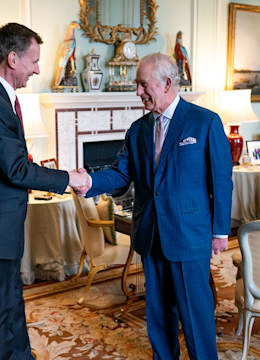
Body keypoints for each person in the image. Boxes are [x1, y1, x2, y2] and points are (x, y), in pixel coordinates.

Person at [73, 53, 232, 360]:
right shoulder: (138, 129)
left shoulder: (205, 122)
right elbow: (121, 173)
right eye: (137, 84)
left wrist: (220, 231)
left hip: (189, 236)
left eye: (143, 84)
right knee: (158, 317)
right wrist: (90, 181)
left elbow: (221, 181)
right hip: (150, 235)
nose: (138, 92)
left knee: (195, 318)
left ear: (167, 83)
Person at [0, 23, 88, 360]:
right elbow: (15, 169)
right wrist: (69, 177)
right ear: (12, 58)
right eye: (33, 61)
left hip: (0, 222)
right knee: (0, 308)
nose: (38, 69)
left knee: (11, 299)